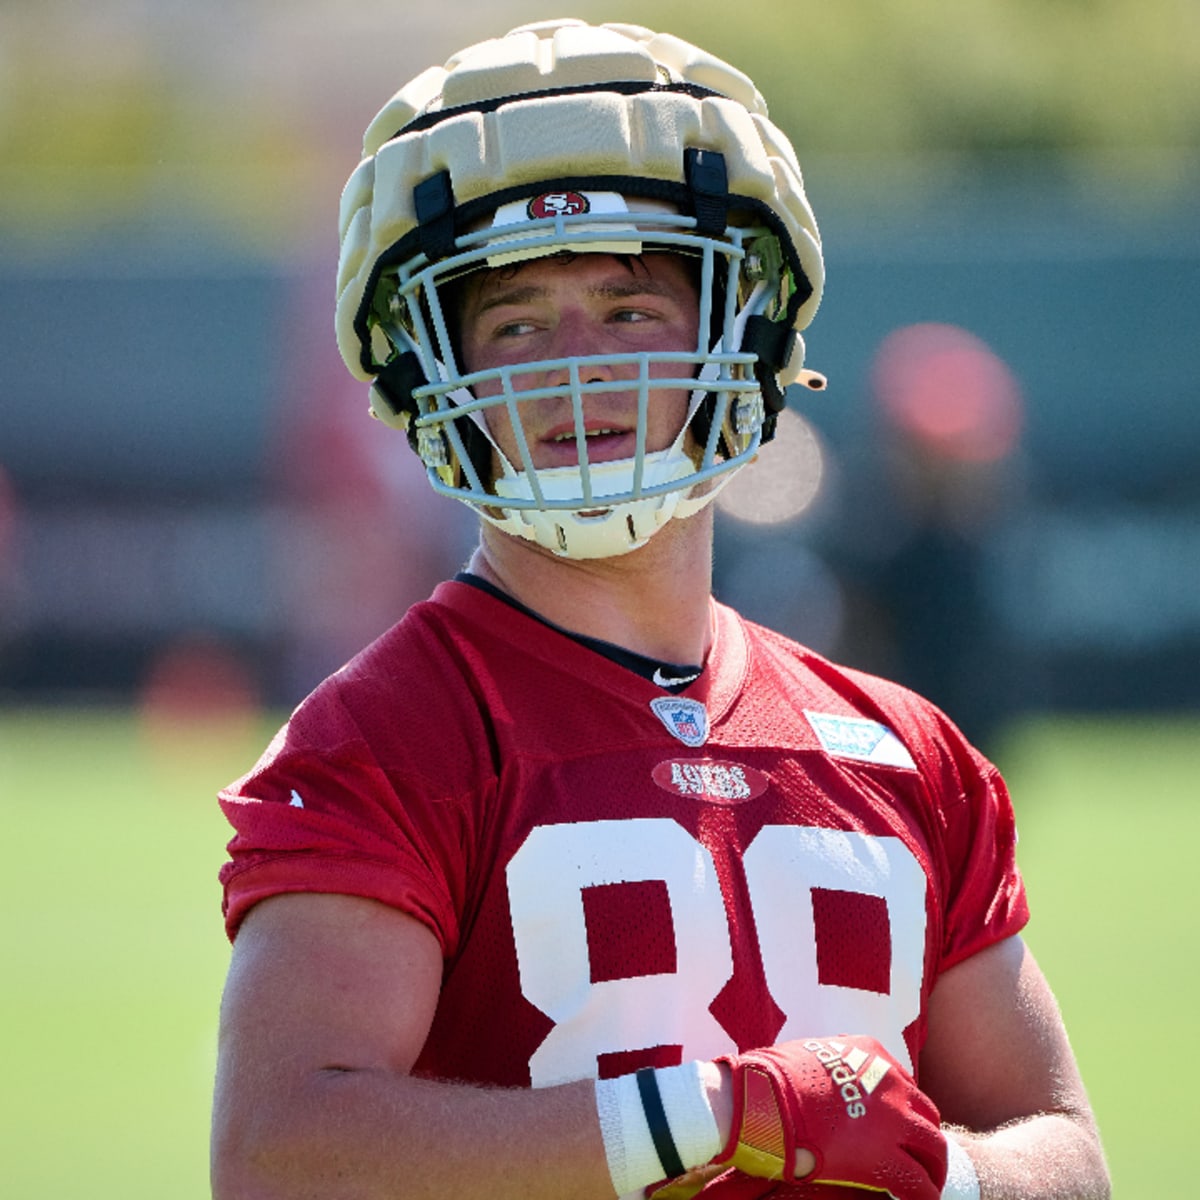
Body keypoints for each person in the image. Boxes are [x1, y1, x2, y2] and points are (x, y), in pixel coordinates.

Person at [211, 19, 1110, 1200]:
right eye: (517, 322)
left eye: (631, 309)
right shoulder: (383, 738)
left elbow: (1069, 1155)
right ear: (441, 375)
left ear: (740, 330)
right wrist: (710, 1114)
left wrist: (938, 1173)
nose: (575, 365)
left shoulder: (904, 752)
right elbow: (279, 1156)